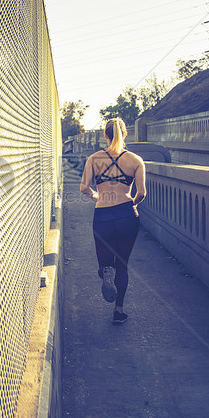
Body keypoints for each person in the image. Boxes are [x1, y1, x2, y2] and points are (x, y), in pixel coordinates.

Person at [79, 118, 147, 324]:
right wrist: (132, 203)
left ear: (105, 135)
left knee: (106, 262)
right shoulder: (136, 160)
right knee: (123, 264)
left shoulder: (94, 158)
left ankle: (105, 271)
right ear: (125, 134)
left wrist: (96, 197)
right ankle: (119, 311)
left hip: (103, 215)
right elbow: (142, 193)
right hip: (127, 214)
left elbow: (83, 188)